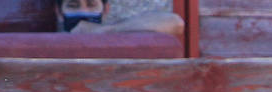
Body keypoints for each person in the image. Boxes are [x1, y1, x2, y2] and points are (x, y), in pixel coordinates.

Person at [55, 0, 183, 39]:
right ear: (59, 13)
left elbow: (175, 23)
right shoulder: (50, 43)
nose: (84, 12)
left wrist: (104, 31)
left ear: (105, 11)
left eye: (91, 5)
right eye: (73, 6)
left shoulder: (114, 33)